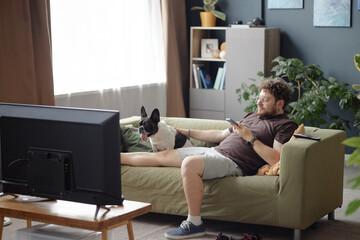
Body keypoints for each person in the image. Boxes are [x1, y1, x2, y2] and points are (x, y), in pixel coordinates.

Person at [121, 78, 298, 239]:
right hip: (215, 151)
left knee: (190, 164)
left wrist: (250, 138)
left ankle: (194, 223)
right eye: (259, 98)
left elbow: (276, 158)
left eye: (264, 100)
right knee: (161, 156)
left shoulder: (285, 125)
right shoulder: (252, 116)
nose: (258, 103)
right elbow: (220, 134)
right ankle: (116, 157)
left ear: (280, 103)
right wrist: (187, 132)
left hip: (234, 163)